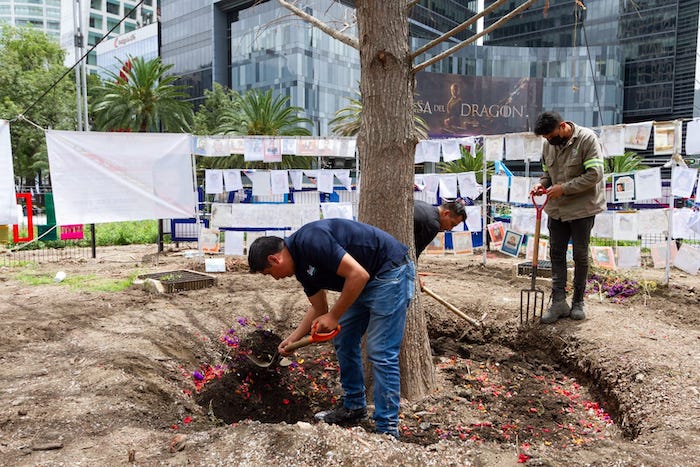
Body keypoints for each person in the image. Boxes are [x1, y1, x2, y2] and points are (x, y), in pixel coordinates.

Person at [247, 218, 415, 438]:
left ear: (274, 259)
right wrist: (293, 339)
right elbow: (319, 308)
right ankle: (354, 407)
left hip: (389, 272)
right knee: (344, 339)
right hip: (364, 282)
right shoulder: (301, 269)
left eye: (269, 273)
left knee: (381, 351)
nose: (276, 279)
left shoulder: (312, 240)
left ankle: (387, 429)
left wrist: (334, 316)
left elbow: (358, 275)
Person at [530, 111, 605, 324]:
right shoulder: (548, 145)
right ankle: (559, 302)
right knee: (556, 253)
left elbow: (594, 175)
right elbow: (547, 174)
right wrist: (541, 185)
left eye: (551, 136)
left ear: (563, 127)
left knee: (580, 255)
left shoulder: (587, 139)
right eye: (545, 138)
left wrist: (564, 188)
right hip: (557, 209)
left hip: (582, 209)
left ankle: (578, 302)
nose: (549, 141)